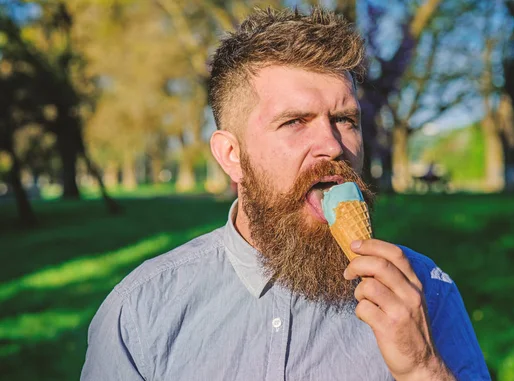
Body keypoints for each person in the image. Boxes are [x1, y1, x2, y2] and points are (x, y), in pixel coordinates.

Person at [81, 6, 490, 381]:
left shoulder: (426, 291)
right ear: (231, 154)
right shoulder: (140, 312)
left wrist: (423, 368)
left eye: (345, 119)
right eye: (296, 121)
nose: (332, 145)